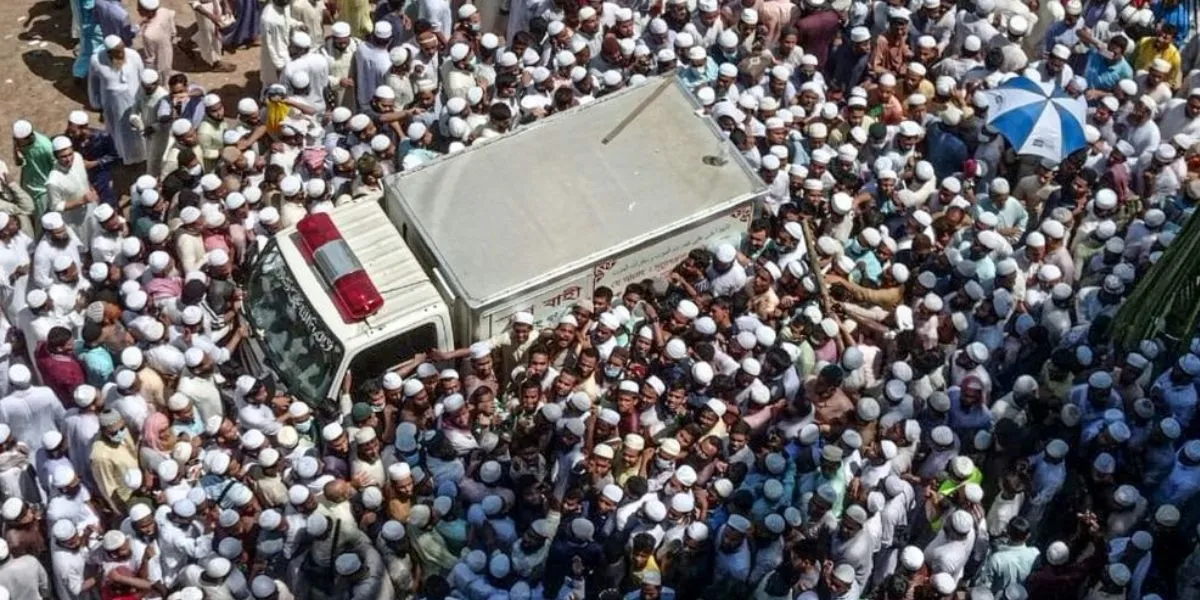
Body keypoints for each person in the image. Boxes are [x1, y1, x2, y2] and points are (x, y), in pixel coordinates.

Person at [87, 36, 148, 166]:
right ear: (109, 53)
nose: (121, 55)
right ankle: (125, 157)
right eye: (117, 52)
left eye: (122, 50)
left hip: (135, 103)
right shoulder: (96, 61)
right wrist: (96, 104)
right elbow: (93, 83)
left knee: (138, 129)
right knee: (120, 133)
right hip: (113, 107)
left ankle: (144, 155)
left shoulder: (133, 55)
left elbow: (142, 76)